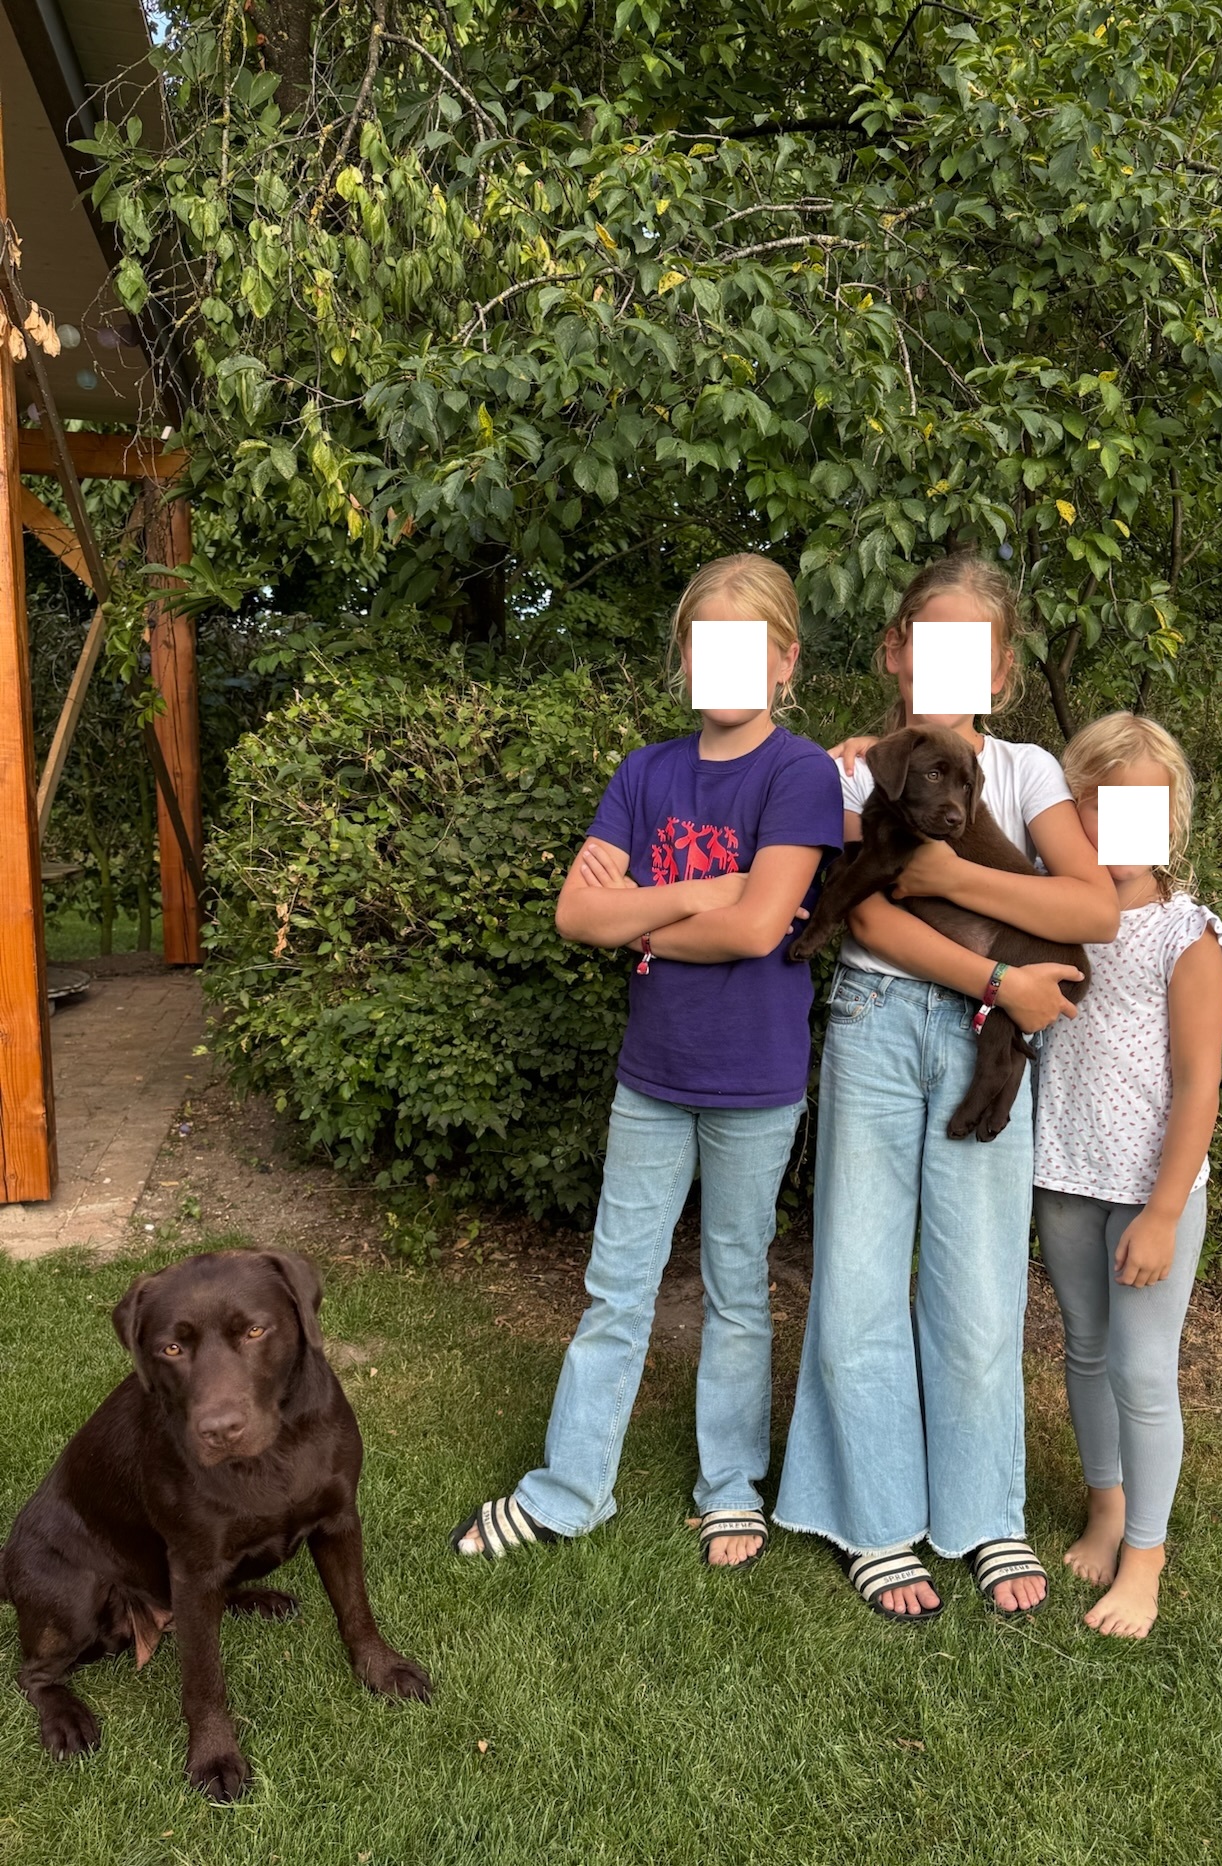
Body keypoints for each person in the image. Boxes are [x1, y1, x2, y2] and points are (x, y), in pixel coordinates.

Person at [451, 554, 844, 1572]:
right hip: (652, 1078)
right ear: (684, 657)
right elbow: (576, 914)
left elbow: (759, 928)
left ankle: (731, 1487)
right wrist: (704, 890)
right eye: (706, 645)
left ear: (785, 660)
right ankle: (569, 1489)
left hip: (756, 1081)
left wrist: (644, 918)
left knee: (736, 1288)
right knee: (616, 1288)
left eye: (748, 646)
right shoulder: (645, 772)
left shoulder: (798, 773)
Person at [773, 554, 1119, 1620]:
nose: (952, 666)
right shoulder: (857, 775)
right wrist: (998, 980)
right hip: (881, 1022)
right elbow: (867, 911)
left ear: (1003, 673)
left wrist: (956, 875)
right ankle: (876, 1517)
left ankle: (983, 1512)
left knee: (979, 1284)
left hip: (986, 1045)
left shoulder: (1024, 771)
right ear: (895, 651)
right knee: (859, 1274)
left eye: (977, 651)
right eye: (932, 644)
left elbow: (1093, 909)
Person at [1032, 712, 1222, 1639]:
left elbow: (1199, 1083)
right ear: (1072, 809)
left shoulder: (1185, 933)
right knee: (1084, 1347)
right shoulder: (1053, 911)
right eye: (1102, 804)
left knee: (1142, 1368)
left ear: (1171, 819)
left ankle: (1146, 1557)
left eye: (1143, 809)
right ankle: (1107, 1507)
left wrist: (1161, 1212)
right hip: (1064, 1170)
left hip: (1153, 1192)